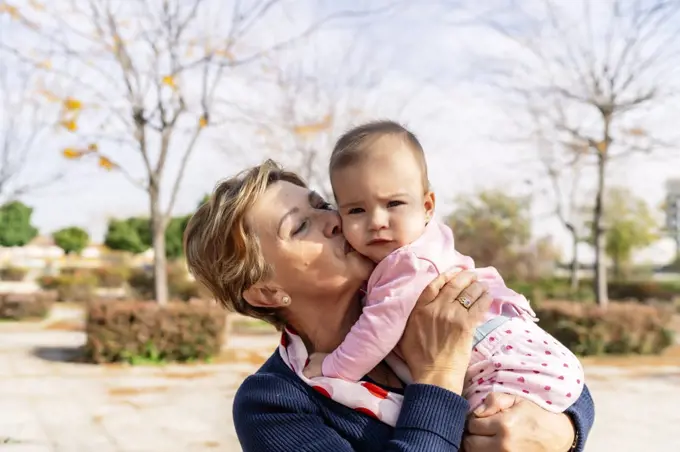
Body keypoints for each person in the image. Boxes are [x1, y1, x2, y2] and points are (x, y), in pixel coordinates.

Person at [183, 159, 595, 451]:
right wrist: (438, 375)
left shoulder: (418, 293)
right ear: (266, 292)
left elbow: (536, 360)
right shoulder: (274, 404)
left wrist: (563, 432)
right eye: (300, 226)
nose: (335, 220)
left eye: (321, 204)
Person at [302, 121, 584, 419]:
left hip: (499, 359)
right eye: (356, 210)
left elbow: (377, 329)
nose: (376, 221)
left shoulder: (410, 263)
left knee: (479, 431)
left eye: (394, 203)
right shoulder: (415, 250)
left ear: (427, 206)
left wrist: (335, 366)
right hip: (515, 358)